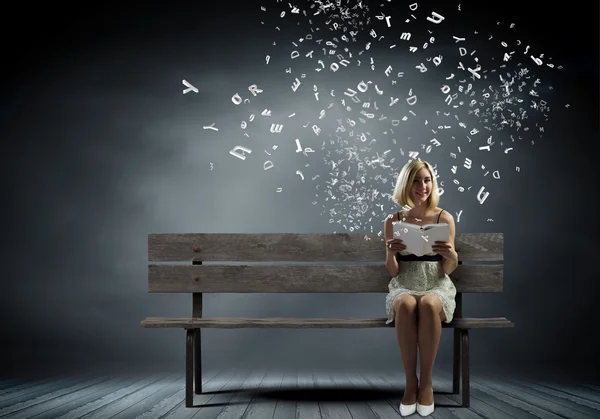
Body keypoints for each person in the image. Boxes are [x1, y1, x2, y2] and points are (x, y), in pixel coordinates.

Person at [383, 159, 458, 417]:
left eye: (427, 180)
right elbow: (393, 271)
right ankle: (410, 384)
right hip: (405, 281)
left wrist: (451, 255)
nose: (422, 186)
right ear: (406, 183)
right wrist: (391, 254)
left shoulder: (443, 217)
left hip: (436, 282)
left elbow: (448, 269)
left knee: (427, 303)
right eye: (416, 180)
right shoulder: (393, 220)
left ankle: (426, 384)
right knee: (405, 303)